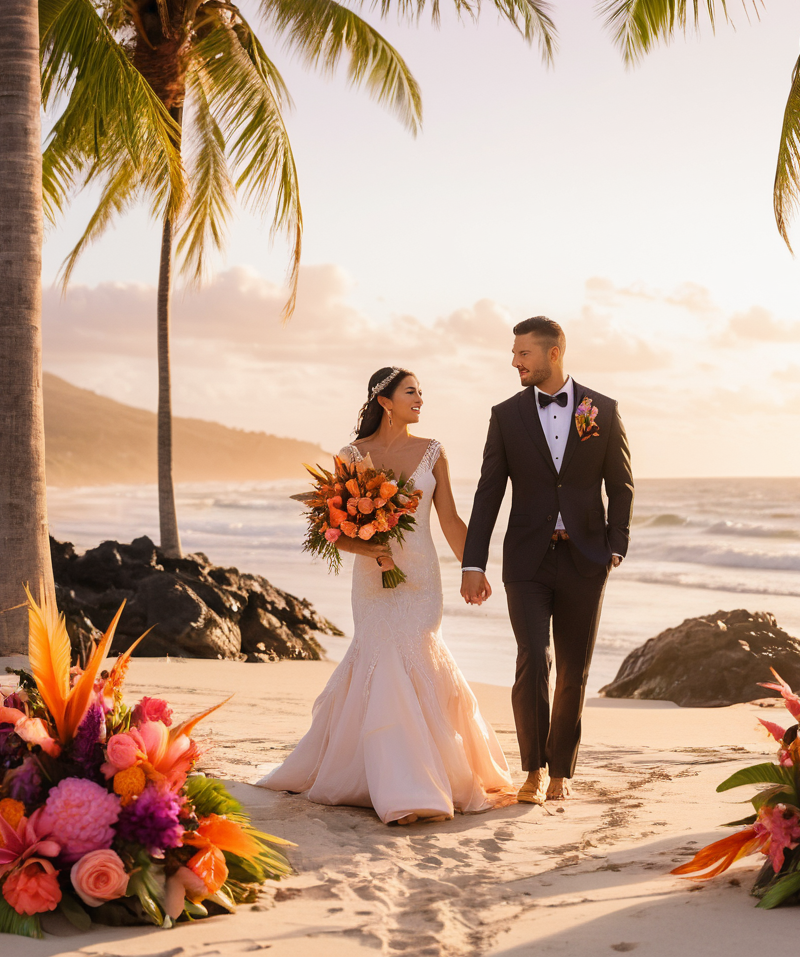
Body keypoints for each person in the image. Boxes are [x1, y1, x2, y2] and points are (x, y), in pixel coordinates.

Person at [259, 367, 512, 824]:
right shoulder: (352, 455)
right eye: (411, 392)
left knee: (416, 652)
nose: (420, 399)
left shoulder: (433, 453)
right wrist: (367, 545)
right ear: (385, 401)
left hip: (420, 578)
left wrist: (473, 568)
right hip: (372, 580)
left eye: (422, 392)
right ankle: (402, 784)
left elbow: (451, 520)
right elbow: (332, 528)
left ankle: (421, 777)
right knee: (381, 655)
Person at [461, 317, 633, 804]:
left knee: (574, 669)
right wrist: (473, 562)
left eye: (523, 354)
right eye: (515, 354)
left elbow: (620, 484)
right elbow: (488, 492)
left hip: (586, 558)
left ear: (553, 353)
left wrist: (615, 546)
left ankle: (562, 772)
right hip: (527, 559)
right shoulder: (506, 415)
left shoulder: (603, 409)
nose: (514, 361)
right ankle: (532, 770)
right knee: (533, 658)